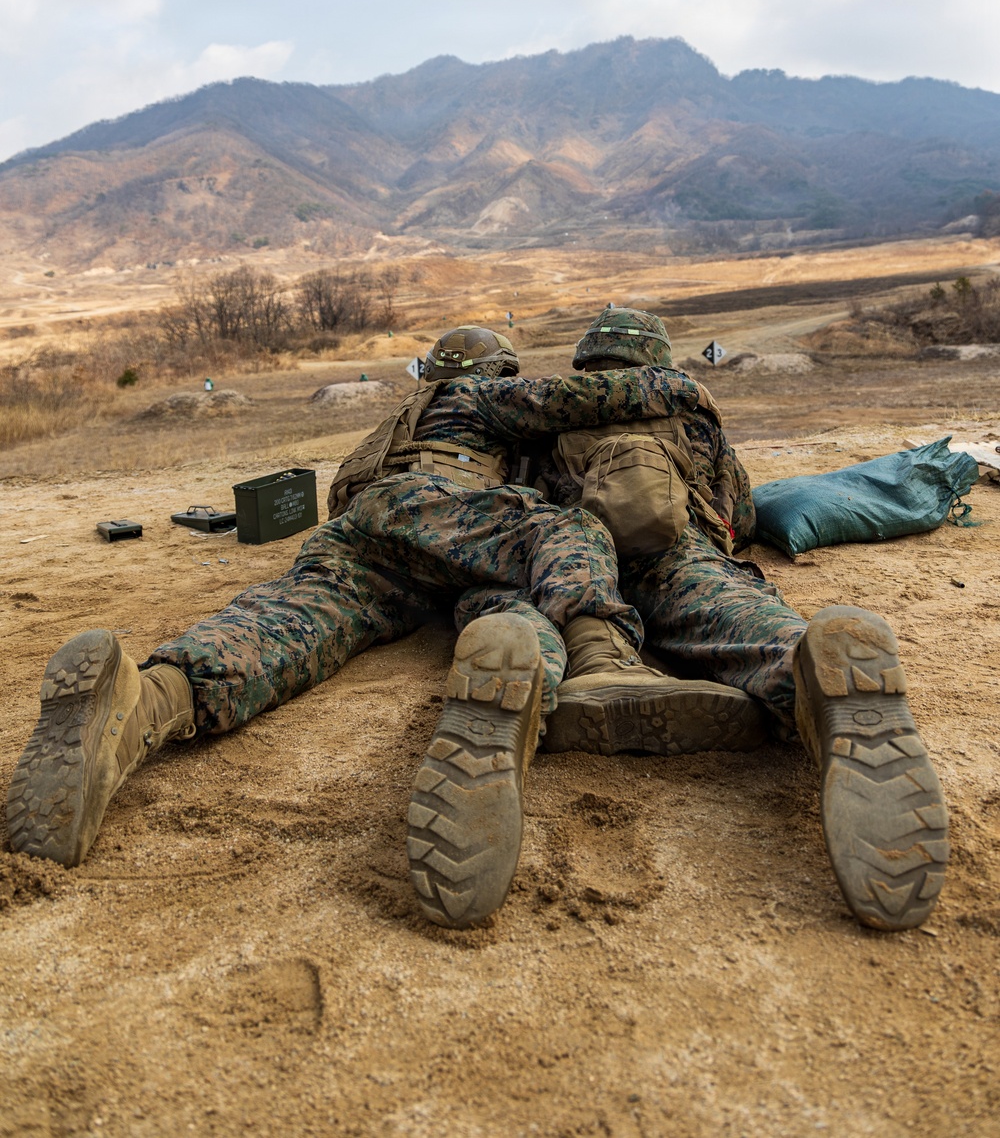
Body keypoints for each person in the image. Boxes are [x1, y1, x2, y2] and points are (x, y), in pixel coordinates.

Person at [6, 326, 760, 931]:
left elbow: (352, 504)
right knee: (561, 530)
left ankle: (145, 700)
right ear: (494, 373)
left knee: (290, 622)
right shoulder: (478, 394)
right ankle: (598, 657)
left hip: (370, 538)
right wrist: (683, 386)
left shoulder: (386, 427)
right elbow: (585, 399)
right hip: (442, 511)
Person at [534, 307, 949, 933]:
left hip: (575, 561)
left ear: (589, 357)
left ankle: (578, 667)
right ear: (657, 357)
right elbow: (742, 513)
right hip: (677, 557)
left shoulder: (551, 415)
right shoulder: (689, 417)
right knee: (740, 621)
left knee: (554, 619)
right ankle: (801, 669)